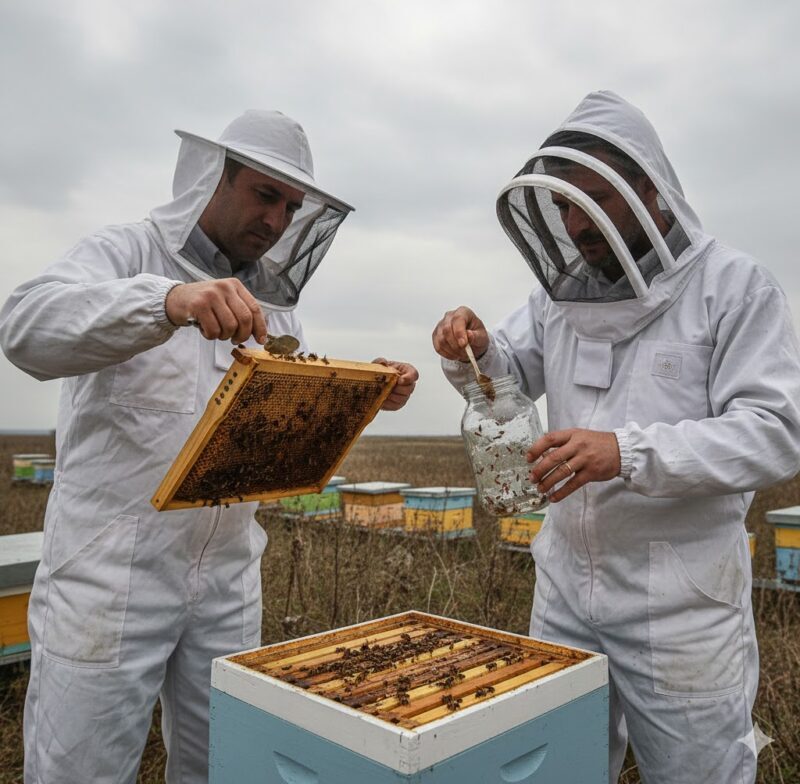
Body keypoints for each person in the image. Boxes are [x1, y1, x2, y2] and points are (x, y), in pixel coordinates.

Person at [0, 110, 418, 783]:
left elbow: (279, 418)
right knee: (81, 770)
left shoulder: (274, 303)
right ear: (211, 181)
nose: (278, 222)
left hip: (227, 575)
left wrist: (361, 397)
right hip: (112, 578)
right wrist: (167, 301)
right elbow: (24, 326)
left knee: (226, 766)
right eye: (264, 195)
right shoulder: (126, 251)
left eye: (291, 206)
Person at [432, 90, 800, 783]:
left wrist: (626, 452)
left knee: (699, 774)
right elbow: (502, 379)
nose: (578, 222)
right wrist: (470, 346)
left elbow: (775, 432)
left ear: (653, 192)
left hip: (682, 603)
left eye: (596, 199)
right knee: (554, 768)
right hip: (565, 586)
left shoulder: (734, 286)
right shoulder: (559, 299)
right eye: (567, 205)